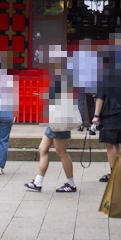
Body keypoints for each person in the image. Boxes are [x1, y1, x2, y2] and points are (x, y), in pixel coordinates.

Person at [24, 50, 76, 193]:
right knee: (43, 148)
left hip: (58, 120)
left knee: (61, 152)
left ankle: (71, 183)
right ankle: (38, 182)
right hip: (55, 119)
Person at [93, 46, 121, 183]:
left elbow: (100, 97)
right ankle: (120, 172)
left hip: (109, 113)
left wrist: (96, 116)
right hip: (120, 112)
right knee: (116, 144)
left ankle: (115, 174)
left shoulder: (105, 75)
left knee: (109, 144)